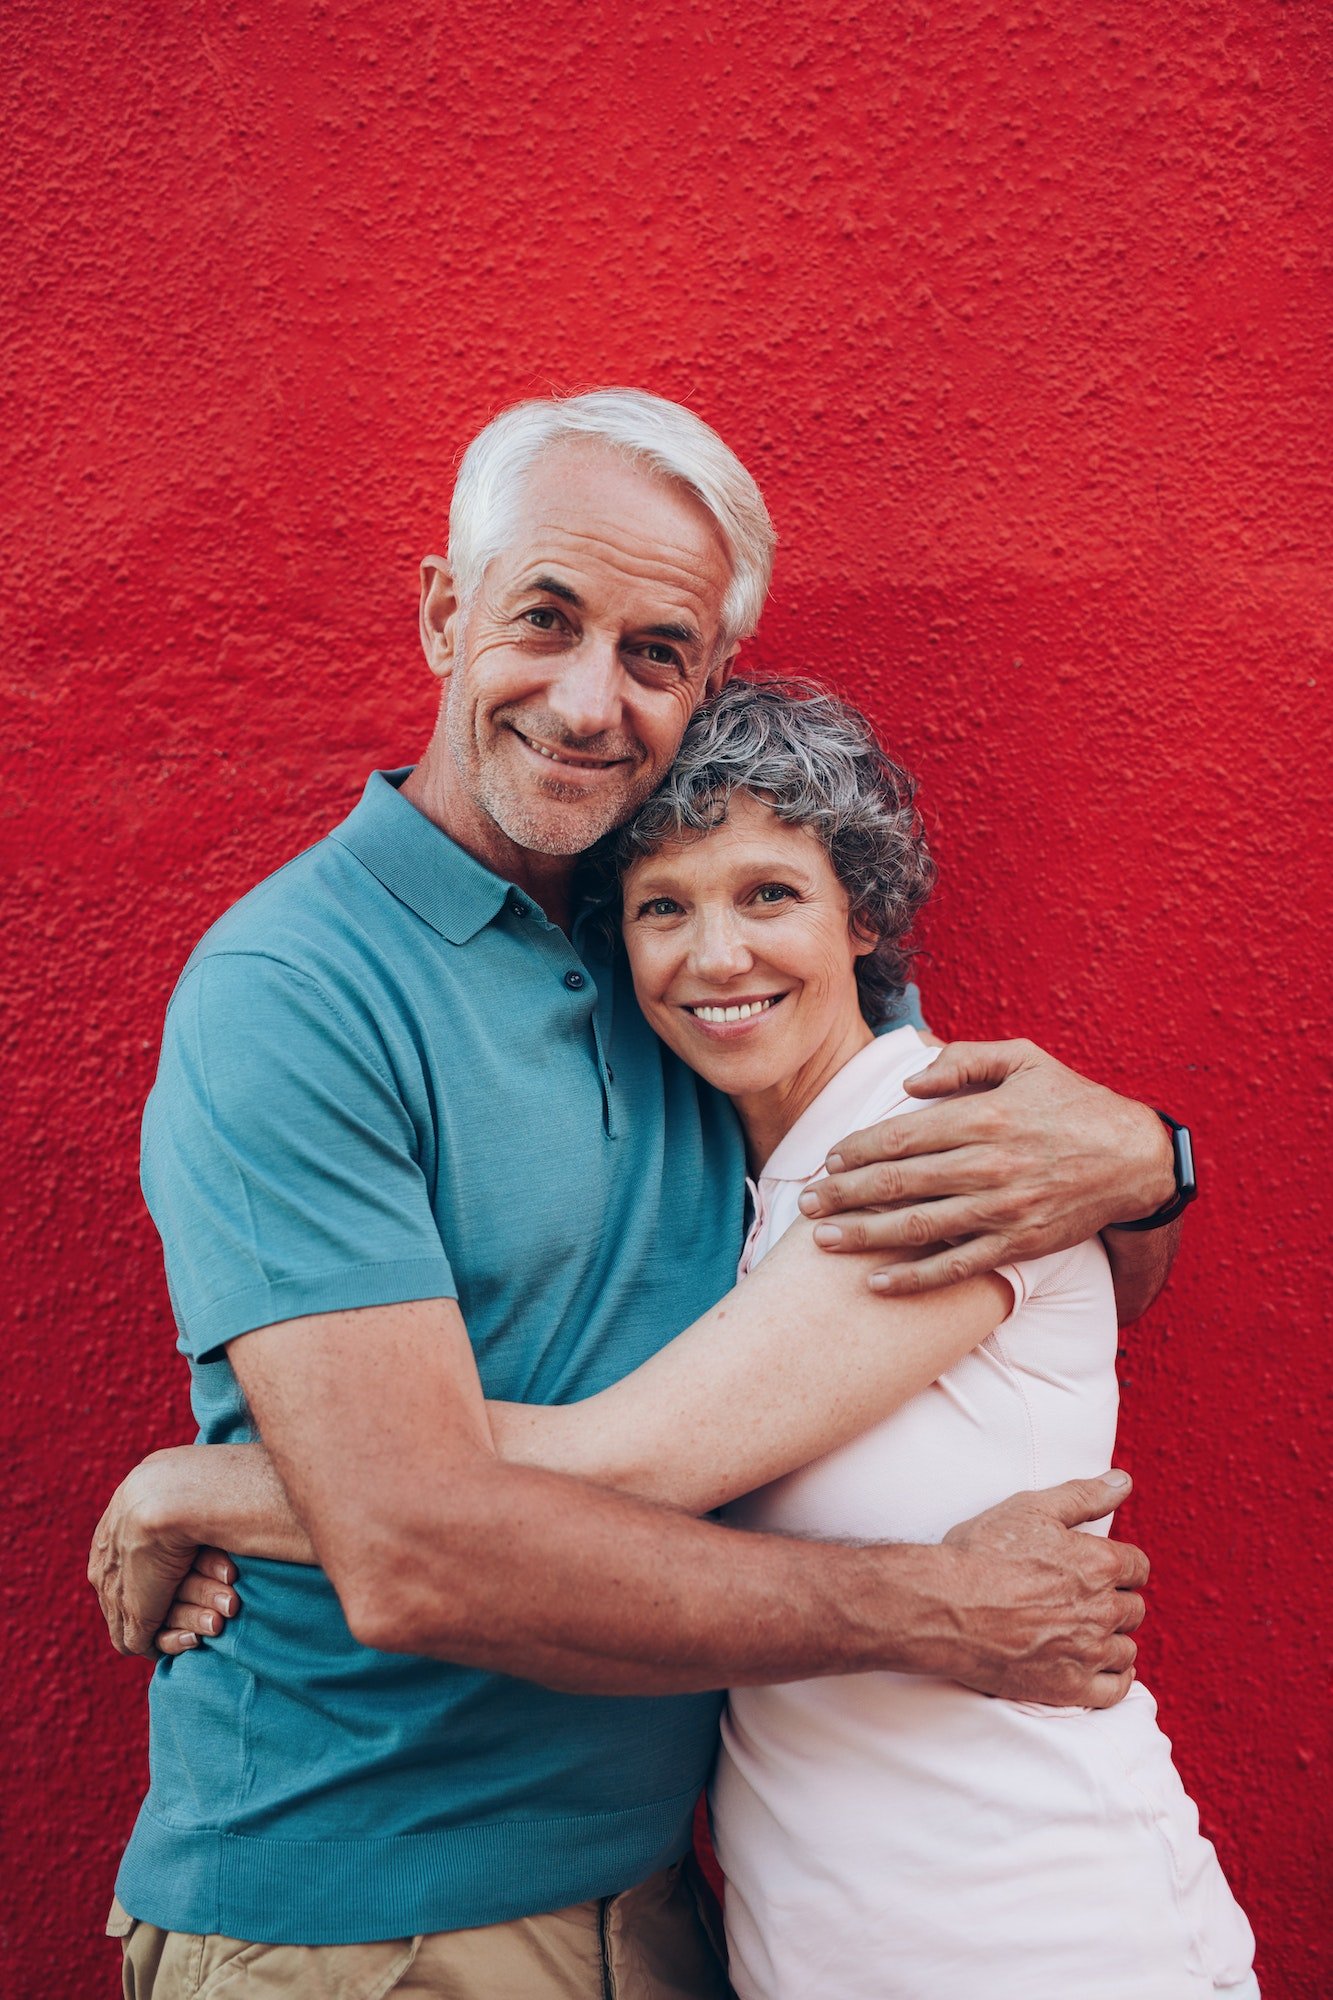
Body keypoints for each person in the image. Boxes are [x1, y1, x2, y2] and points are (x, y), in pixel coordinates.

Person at [91, 391, 1190, 1998]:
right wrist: (930, 1612)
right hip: (365, 1919)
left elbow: (1038, 1261)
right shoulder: (297, 988)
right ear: (441, 613)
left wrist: (1148, 1168)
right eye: (543, 619)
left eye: (656, 652)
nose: (588, 698)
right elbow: (416, 1552)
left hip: (671, 1901)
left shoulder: (692, 972)